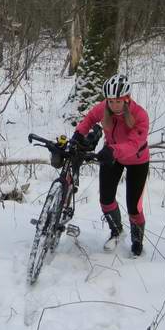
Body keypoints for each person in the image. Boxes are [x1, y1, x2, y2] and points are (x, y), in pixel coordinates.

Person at [70, 73, 150, 256]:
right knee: (105, 199)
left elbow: (133, 144)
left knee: (133, 206)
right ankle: (116, 231)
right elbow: (89, 118)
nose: (113, 105)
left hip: (137, 160)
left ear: (127, 99)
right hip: (111, 155)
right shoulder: (103, 108)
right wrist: (78, 135)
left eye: (118, 101)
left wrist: (113, 150)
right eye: (110, 101)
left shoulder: (140, 116)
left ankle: (137, 240)